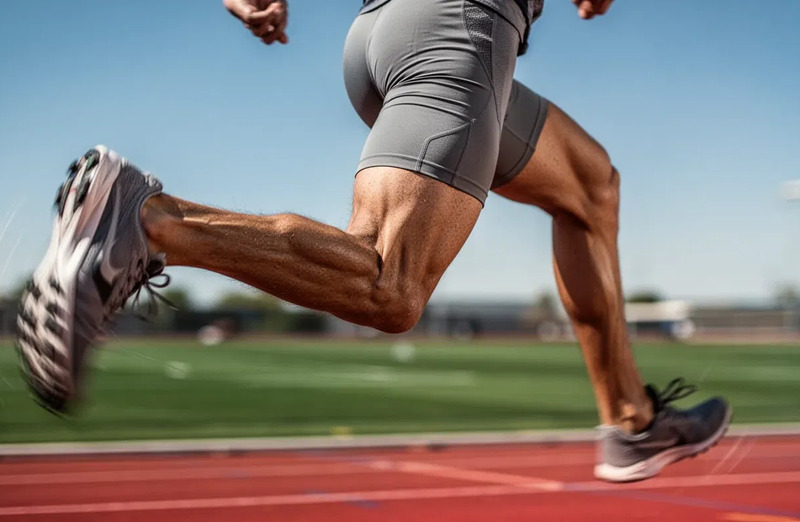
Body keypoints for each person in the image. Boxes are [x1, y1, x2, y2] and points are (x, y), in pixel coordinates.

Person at [16, 0, 731, 482]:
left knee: (591, 185)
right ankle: (149, 220)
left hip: (397, 36)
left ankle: (631, 420)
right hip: (460, 31)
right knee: (392, 286)